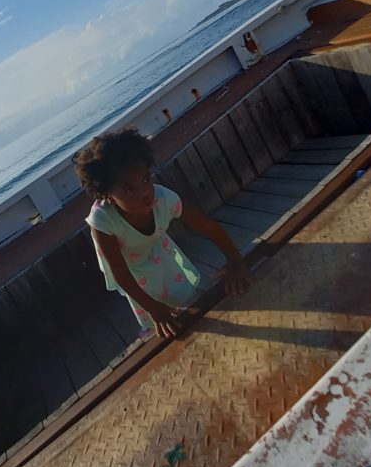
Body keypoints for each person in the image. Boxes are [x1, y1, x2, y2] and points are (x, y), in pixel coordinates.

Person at [74, 128, 251, 338]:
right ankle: (149, 327)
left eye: (146, 179)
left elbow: (206, 225)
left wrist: (235, 261)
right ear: (108, 195)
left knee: (182, 298)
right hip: (131, 269)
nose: (144, 192)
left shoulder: (162, 198)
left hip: (157, 251)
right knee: (155, 316)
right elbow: (121, 273)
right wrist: (154, 309)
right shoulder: (103, 221)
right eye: (130, 189)